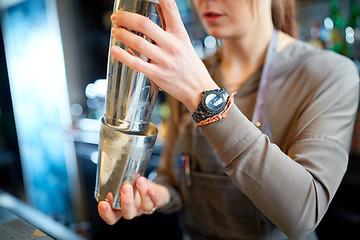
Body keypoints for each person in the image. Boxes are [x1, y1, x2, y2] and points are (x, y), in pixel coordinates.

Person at [97, 0, 360, 239]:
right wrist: (155, 194)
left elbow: (304, 214)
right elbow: (172, 175)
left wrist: (202, 96)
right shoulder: (190, 71)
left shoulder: (329, 75)